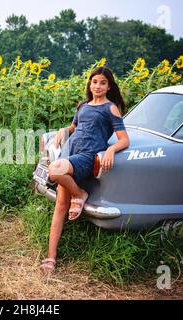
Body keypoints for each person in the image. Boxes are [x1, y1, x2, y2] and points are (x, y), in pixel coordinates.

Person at [40, 67, 130, 273]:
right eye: (94, 82)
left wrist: (111, 150)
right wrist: (64, 130)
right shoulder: (83, 106)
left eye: (102, 83)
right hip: (71, 154)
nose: (97, 86)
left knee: (54, 171)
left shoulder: (111, 108)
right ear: (90, 84)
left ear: (109, 86)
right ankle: (51, 258)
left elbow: (124, 139)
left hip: (88, 157)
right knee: (60, 206)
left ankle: (80, 194)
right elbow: (74, 128)